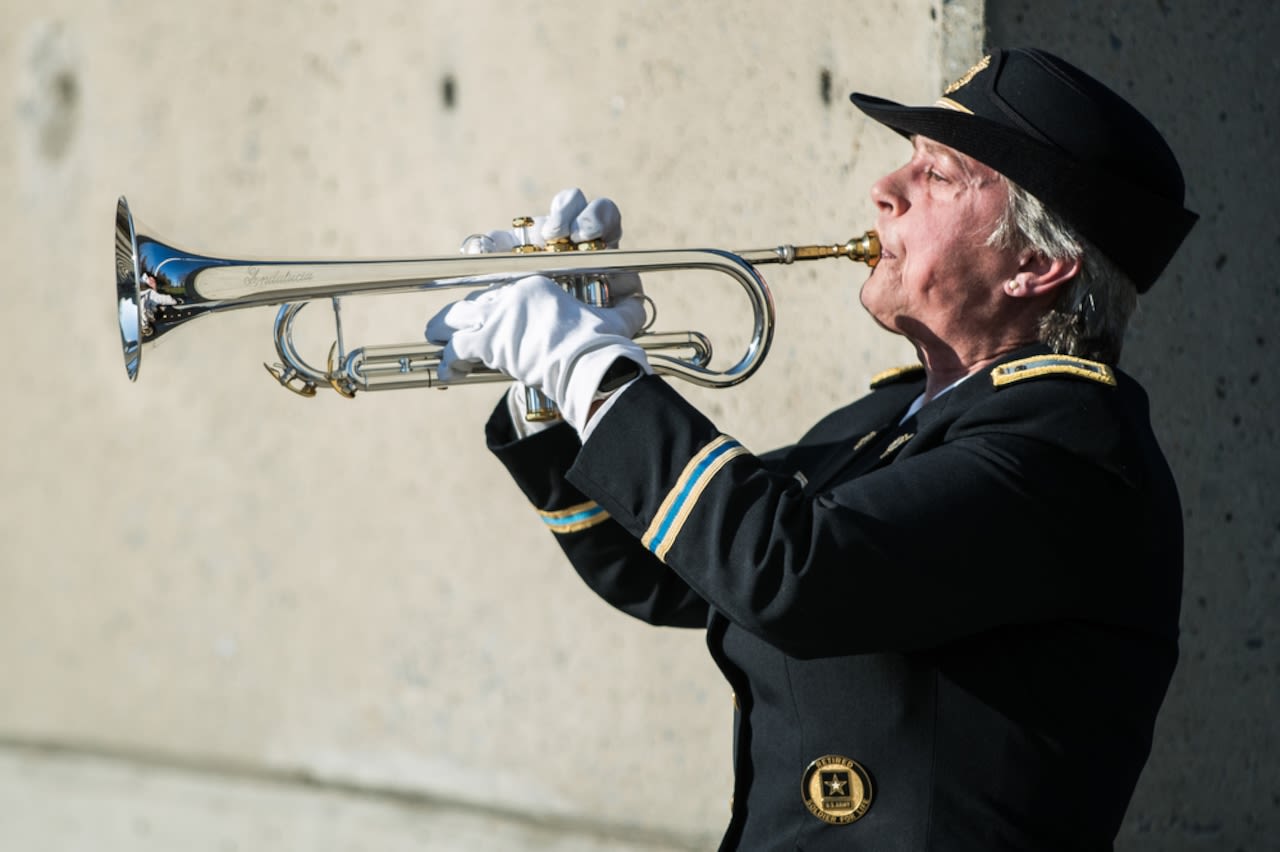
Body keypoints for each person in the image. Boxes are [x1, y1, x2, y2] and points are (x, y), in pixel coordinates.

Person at [426, 47, 1198, 851]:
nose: (886, 191)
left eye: (937, 175)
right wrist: (554, 400)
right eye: (909, 162)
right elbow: (682, 571)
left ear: (1036, 264)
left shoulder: (1070, 451)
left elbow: (789, 570)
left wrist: (594, 370)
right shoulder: (894, 416)